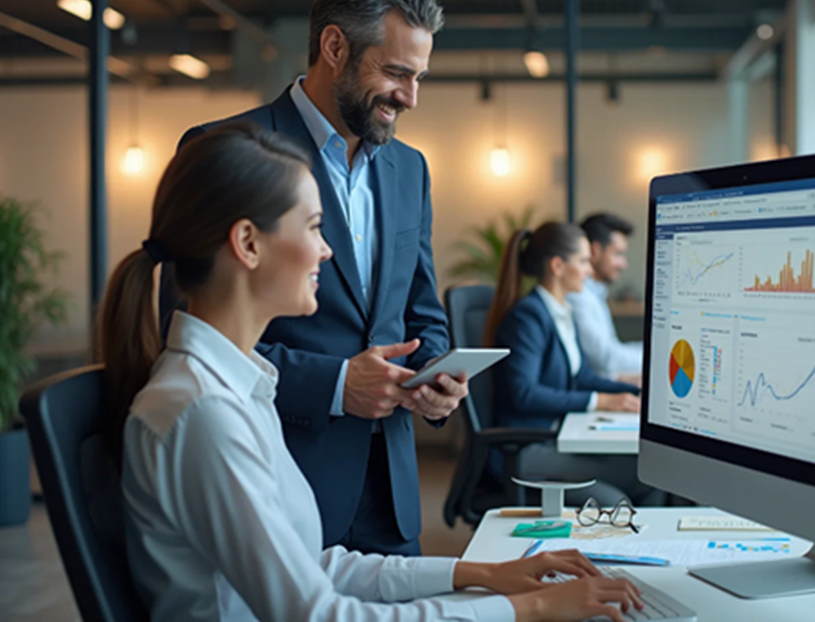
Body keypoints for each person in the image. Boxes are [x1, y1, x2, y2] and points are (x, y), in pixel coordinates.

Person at [101, 123, 643, 622]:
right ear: (247, 243)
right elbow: (319, 614)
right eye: (313, 227)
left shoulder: (240, 384)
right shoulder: (204, 413)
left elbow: (317, 566)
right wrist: (532, 608)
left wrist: (483, 574)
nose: (327, 249)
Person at [161, 0, 459, 557]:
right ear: (334, 47)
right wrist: (336, 385)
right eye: (396, 73)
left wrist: (436, 375)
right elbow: (185, 332)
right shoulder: (228, 150)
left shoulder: (411, 169)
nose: (410, 97)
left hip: (393, 494)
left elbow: (421, 310)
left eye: (419, 77)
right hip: (281, 479)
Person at [483, 222, 662, 507]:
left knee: (652, 475)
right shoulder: (528, 317)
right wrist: (598, 401)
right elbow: (524, 393)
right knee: (633, 486)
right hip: (527, 449)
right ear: (557, 266)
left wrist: (632, 393)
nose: (590, 271)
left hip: (558, 436)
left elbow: (582, 377)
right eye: (582, 261)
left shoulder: (561, 312)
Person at [567, 213, 643, 382]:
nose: (624, 264)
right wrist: (655, 357)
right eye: (617, 254)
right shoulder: (579, 295)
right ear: (595, 250)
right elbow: (606, 359)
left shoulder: (595, 293)